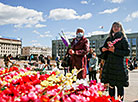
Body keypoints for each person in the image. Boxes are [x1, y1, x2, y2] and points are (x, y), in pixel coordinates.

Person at [100, 22, 130, 101]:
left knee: (120, 86)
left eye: (118, 26)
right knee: (111, 86)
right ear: (112, 28)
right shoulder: (109, 38)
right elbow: (103, 48)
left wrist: (115, 50)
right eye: (114, 26)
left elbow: (127, 52)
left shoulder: (123, 39)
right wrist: (103, 49)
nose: (116, 27)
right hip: (110, 66)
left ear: (120, 28)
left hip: (119, 66)